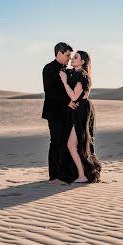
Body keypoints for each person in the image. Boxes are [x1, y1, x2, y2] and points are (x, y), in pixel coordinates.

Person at [59, 50, 102, 183]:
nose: (72, 59)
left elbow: (74, 96)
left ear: (82, 62)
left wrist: (65, 82)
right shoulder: (76, 74)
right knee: (76, 145)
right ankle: (80, 174)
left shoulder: (81, 75)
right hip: (78, 110)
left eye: (76, 57)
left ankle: (83, 175)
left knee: (72, 145)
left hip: (81, 111)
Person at [42, 42, 80, 186]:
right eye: (68, 55)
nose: (70, 58)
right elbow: (50, 92)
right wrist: (67, 102)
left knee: (66, 143)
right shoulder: (48, 69)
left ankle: (64, 174)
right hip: (54, 112)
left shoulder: (67, 69)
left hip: (67, 113)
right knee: (56, 143)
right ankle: (54, 177)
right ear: (59, 53)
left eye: (71, 55)